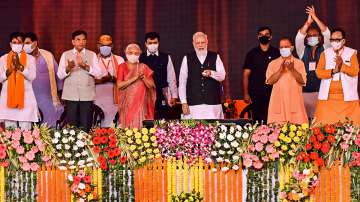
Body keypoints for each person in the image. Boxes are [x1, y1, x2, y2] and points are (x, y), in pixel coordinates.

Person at [57, 30, 102, 131]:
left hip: (87, 95)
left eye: (83, 40)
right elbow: (59, 75)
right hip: (70, 95)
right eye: (78, 39)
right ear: (73, 42)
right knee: (72, 127)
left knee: (86, 125)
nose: (81, 42)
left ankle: (86, 145)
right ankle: (73, 146)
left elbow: (99, 74)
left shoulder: (92, 54)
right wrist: (68, 68)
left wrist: (84, 66)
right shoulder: (65, 54)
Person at [314, 28, 360, 125]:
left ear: (343, 41)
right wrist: (333, 71)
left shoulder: (351, 53)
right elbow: (318, 72)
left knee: (349, 127)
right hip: (327, 98)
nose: (334, 42)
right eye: (332, 40)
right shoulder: (325, 53)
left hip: (347, 98)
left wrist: (342, 66)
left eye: (337, 40)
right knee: (324, 127)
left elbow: (355, 71)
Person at [179, 32, 226, 119]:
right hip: (194, 104)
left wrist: (211, 73)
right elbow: (182, 82)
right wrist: (184, 102)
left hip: (213, 104)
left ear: (207, 42)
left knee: (214, 129)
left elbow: (222, 76)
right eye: (198, 43)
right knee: (193, 130)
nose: (200, 45)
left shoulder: (215, 56)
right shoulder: (187, 58)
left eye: (202, 42)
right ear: (193, 44)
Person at [295, 5, 331, 118]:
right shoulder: (302, 50)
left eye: (314, 35)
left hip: (322, 92)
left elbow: (327, 33)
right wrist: (308, 23)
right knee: (305, 122)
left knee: (320, 121)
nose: (311, 37)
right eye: (309, 35)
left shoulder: (326, 49)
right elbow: (299, 37)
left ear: (320, 38)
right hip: (304, 92)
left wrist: (315, 17)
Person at [24, 32, 63, 127]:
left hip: (48, 99)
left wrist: (61, 93)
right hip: (29, 99)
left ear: (35, 43)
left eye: (27, 43)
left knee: (51, 127)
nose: (25, 46)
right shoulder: (21, 58)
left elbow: (58, 75)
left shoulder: (47, 55)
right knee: (31, 131)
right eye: (23, 44)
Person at [0, 32, 38, 130]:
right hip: (8, 100)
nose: (17, 45)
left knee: (26, 131)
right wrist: (10, 70)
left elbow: (32, 77)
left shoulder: (30, 59)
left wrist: (20, 67)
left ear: (23, 44)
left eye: (19, 42)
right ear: (10, 44)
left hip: (25, 100)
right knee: (10, 132)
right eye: (14, 42)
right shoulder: (3, 59)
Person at [266, 37, 308, 124]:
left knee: (297, 133)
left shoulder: (299, 63)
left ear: (292, 48)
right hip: (278, 105)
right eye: (281, 47)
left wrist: (292, 69)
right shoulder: (273, 63)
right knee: (277, 132)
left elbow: (302, 81)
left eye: (286, 46)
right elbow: (269, 81)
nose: (283, 49)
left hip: (294, 104)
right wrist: (280, 71)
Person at [243, 26, 280, 123]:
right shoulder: (251, 54)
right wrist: (246, 94)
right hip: (255, 93)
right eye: (261, 35)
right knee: (256, 120)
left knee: (271, 119)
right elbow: (246, 74)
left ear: (271, 37)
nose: (264, 36)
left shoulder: (277, 53)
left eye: (266, 34)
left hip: (273, 92)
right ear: (258, 37)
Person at [139, 32, 178, 119]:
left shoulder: (166, 57)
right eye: (150, 43)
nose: (153, 45)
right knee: (146, 121)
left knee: (163, 119)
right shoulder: (140, 58)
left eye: (155, 43)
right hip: (145, 94)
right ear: (145, 44)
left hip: (162, 93)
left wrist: (174, 96)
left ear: (158, 43)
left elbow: (171, 78)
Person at [117, 43, 156, 128]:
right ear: (126, 53)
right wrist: (135, 78)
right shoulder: (122, 67)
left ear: (139, 54)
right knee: (127, 128)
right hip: (127, 104)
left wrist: (143, 77)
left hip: (141, 104)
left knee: (141, 129)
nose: (133, 55)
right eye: (130, 53)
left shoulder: (144, 67)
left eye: (136, 53)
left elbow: (151, 86)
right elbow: (119, 85)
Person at [95, 34, 125, 127]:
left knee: (113, 123)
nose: (105, 48)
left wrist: (113, 79)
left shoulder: (120, 60)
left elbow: (125, 80)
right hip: (97, 98)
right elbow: (87, 80)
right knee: (97, 122)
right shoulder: (93, 59)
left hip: (114, 98)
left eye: (108, 45)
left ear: (112, 46)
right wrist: (101, 81)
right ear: (98, 46)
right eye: (103, 45)